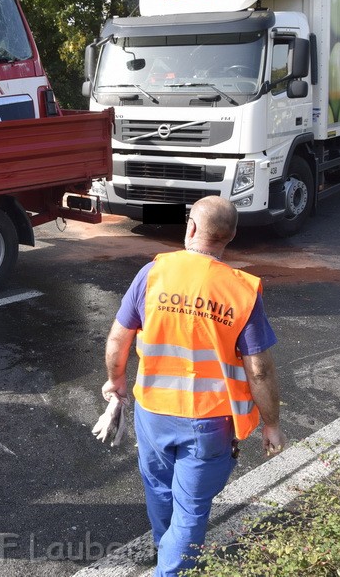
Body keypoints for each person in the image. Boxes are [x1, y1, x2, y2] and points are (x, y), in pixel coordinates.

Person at [101, 196, 286, 577]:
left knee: (159, 489)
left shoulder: (154, 273)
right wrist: (271, 423)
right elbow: (260, 371)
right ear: (230, 237)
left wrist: (116, 382)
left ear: (190, 228)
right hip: (209, 421)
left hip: (153, 412)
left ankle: (162, 550)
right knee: (191, 509)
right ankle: (171, 569)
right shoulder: (241, 291)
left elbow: (119, 338)